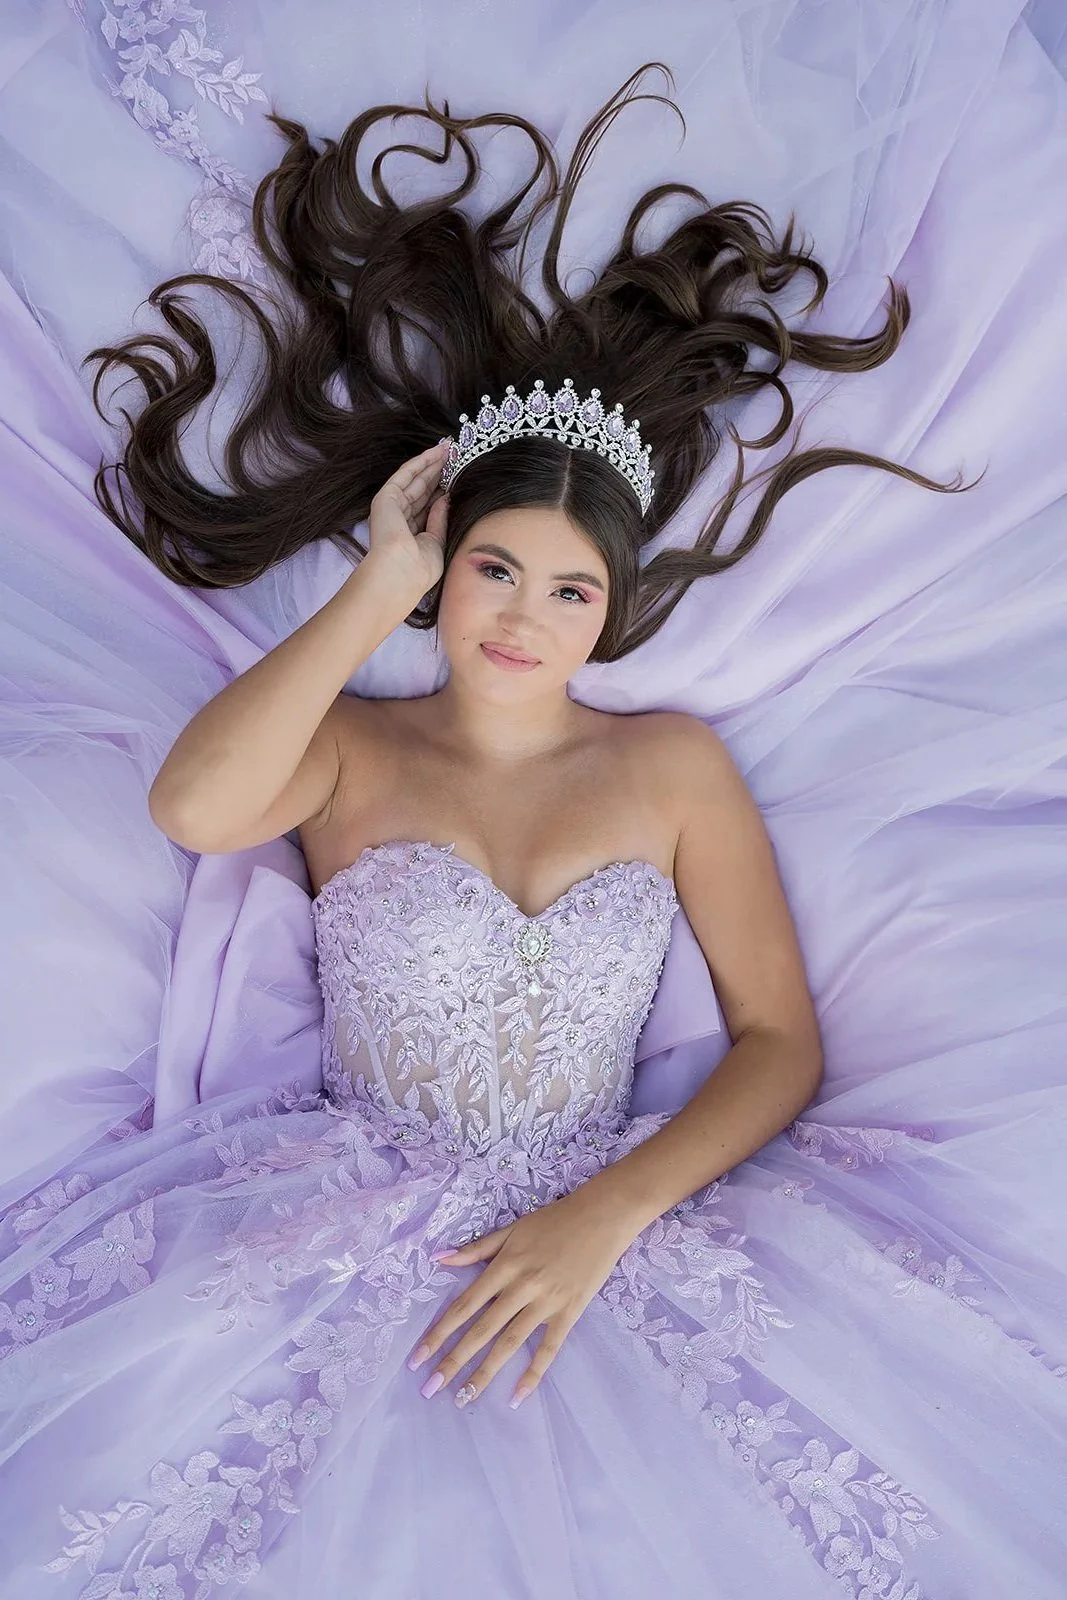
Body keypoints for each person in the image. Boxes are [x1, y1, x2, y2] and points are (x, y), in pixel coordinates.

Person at [2, 29, 1067, 1600]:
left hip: (618, 1215)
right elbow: (194, 802)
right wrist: (380, 580)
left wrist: (605, 1217)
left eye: (570, 590)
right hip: (350, 1211)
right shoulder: (351, 750)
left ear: (611, 614)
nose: (524, 614)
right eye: (495, 568)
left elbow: (779, 1039)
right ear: (451, 568)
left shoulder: (669, 768)